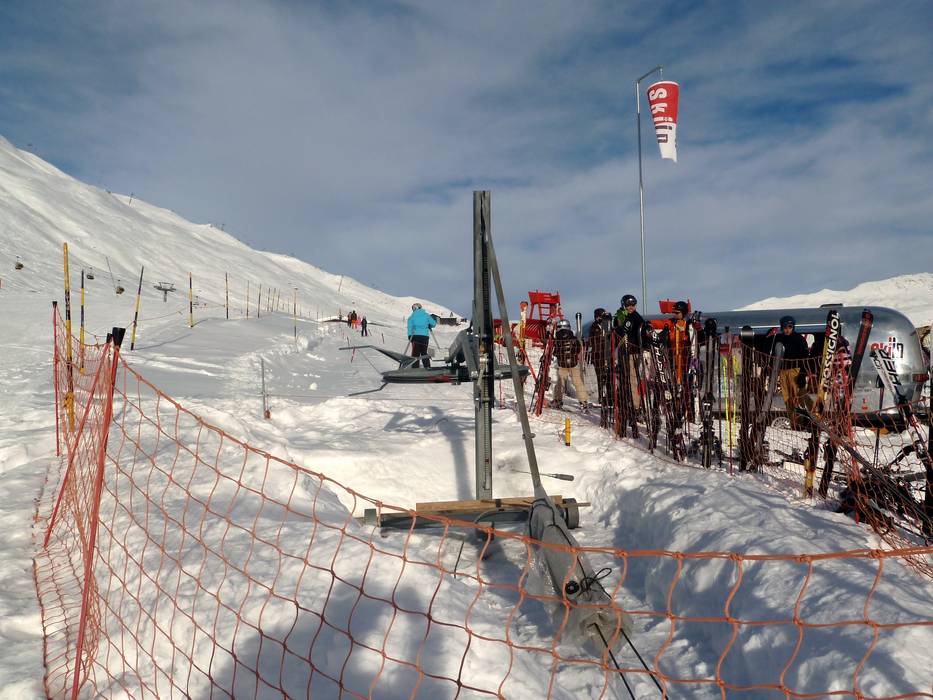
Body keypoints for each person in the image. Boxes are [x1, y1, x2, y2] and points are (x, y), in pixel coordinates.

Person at [772, 315, 811, 428]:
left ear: (793, 327)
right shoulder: (779, 338)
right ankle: (795, 424)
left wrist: (802, 374)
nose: (787, 329)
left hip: (796, 371)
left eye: (790, 327)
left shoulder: (799, 339)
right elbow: (773, 352)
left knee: (799, 397)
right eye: (785, 327)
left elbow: (805, 357)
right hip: (783, 371)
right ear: (782, 327)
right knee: (788, 399)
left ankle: (809, 420)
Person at [552, 319, 589, 412]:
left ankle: (557, 401)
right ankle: (583, 402)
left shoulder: (558, 338)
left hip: (562, 364)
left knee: (560, 383)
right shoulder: (573, 337)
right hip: (573, 364)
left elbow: (555, 352)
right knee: (578, 383)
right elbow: (578, 349)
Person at [588, 308, 614, 426]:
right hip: (598, 356)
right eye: (598, 316)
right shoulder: (594, 327)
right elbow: (591, 341)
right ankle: (601, 398)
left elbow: (611, 337)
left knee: (609, 377)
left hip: (607, 355)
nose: (600, 318)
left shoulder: (607, 325)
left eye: (601, 316)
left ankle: (610, 398)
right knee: (600, 377)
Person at [407, 303, 437, 368]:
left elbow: (410, 327)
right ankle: (427, 367)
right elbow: (434, 324)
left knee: (415, 353)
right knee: (424, 352)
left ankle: (415, 368)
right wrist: (429, 325)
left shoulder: (412, 317)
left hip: (415, 336)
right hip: (425, 337)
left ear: (414, 308)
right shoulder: (426, 315)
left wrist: (409, 336)